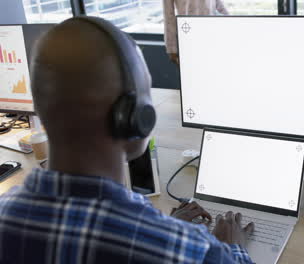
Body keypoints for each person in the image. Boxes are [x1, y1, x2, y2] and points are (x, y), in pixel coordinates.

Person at [0, 17, 254, 263]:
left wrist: (167, 226)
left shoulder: (5, 210)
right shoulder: (191, 251)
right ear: (134, 117)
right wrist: (231, 248)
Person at [163, 0, 229, 64]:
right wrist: (171, 47)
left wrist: (231, 24)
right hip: (188, 39)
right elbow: (168, 14)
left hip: (211, 37)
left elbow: (220, 5)